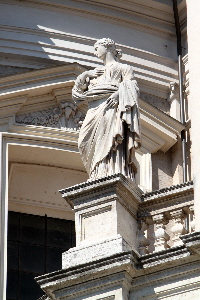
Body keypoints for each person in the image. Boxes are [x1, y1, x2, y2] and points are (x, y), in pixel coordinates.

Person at [72, 38, 141, 180]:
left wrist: (118, 95)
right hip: (94, 111)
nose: (94, 52)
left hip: (112, 108)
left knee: (111, 140)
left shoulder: (123, 68)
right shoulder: (95, 73)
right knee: (83, 142)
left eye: (97, 48)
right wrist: (85, 75)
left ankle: (108, 170)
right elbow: (77, 96)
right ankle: (95, 171)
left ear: (107, 47)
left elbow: (133, 87)